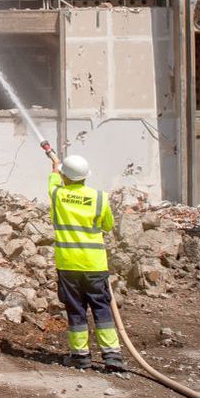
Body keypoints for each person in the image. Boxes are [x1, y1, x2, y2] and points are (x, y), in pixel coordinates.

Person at [48, 153, 124, 372]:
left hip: (68, 264)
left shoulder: (57, 195)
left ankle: (80, 357)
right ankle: (112, 356)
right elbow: (107, 225)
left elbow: (53, 179)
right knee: (101, 308)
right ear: (85, 176)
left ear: (64, 175)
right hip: (95, 265)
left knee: (75, 309)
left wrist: (55, 166)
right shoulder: (100, 198)